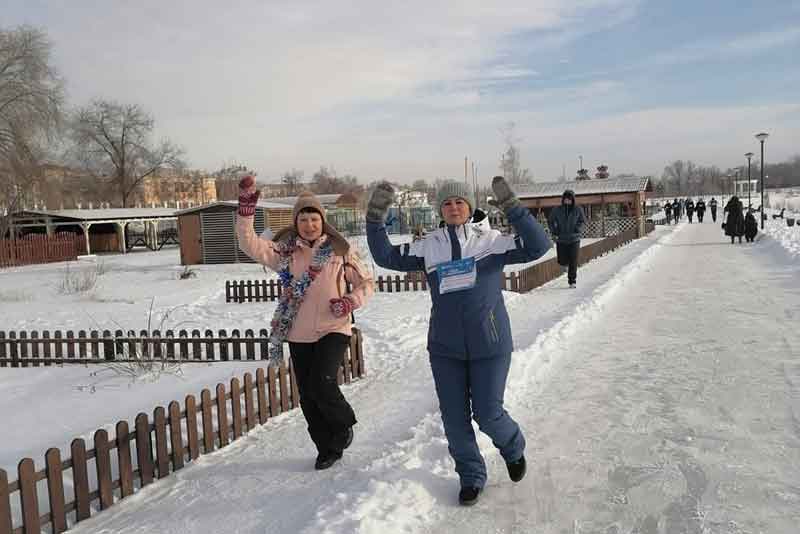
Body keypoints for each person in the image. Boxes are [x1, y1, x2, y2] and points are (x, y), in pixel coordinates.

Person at [366, 177, 551, 506]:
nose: (453, 208)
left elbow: (539, 246)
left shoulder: (491, 241)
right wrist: (375, 217)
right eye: (447, 203)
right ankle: (471, 476)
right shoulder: (429, 245)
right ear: (441, 209)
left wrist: (514, 208)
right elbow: (385, 256)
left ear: (470, 207)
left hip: (490, 344)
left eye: (459, 202)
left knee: (488, 412)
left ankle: (512, 446)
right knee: (454, 419)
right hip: (445, 348)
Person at [236, 176, 374, 470]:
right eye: (303, 219)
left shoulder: (340, 251)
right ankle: (326, 448)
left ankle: (343, 424)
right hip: (298, 333)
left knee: (322, 383)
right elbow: (249, 244)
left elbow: (366, 282)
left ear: (322, 221)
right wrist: (246, 212)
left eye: (314, 219)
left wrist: (351, 301)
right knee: (308, 396)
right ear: (296, 223)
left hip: (333, 328)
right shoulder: (285, 253)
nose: (309, 225)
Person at [548, 190, 586, 288]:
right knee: (562, 260)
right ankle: (565, 265)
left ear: (573, 200)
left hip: (574, 239)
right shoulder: (557, 210)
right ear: (563, 199)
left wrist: (578, 228)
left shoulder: (578, 209)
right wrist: (554, 230)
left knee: (573, 260)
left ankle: (572, 281)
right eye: (566, 199)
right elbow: (550, 221)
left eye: (569, 199)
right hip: (561, 239)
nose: (567, 201)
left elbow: (583, 221)